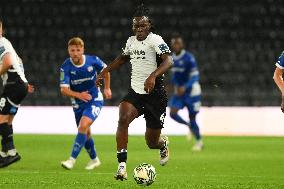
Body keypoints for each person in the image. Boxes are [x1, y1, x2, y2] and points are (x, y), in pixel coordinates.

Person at [96, 4, 173, 181]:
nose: (139, 29)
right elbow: (122, 59)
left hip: (155, 96)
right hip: (136, 92)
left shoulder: (155, 40)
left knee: (151, 142)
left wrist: (152, 76)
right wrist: (104, 72)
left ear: (149, 25)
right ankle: (121, 166)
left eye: (142, 25)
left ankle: (163, 144)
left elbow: (169, 61)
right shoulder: (131, 41)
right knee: (123, 118)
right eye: (136, 26)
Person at [60, 37, 112, 170]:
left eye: (78, 50)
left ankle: (71, 160)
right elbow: (64, 90)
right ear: (69, 51)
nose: (76, 53)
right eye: (73, 50)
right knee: (86, 132)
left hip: (94, 99)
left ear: (82, 49)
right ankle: (95, 160)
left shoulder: (93, 60)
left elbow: (106, 71)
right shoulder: (66, 66)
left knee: (82, 126)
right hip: (78, 104)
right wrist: (79, 95)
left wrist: (106, 88)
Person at [0, 18, 34, 168]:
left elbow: (7, 62)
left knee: (1, 119)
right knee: (7, 120)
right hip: (19, 84)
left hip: (14, 85)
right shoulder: (7, 44)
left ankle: (12, 153)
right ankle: (4, 154)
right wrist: (24, 82)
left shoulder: (1, 43)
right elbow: (18, 61)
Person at [168, 34, 203, 151]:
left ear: (182, 44)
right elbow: (174, 76)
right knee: (172, 113)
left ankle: (199, 142)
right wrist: (172, 86)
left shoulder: (189, 58)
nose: (176, 45)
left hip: (192, 92)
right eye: (174, 43)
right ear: (172, 45)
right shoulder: (171, 58)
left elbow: (195, 77)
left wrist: (185, 87)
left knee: (192, 117)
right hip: (179, 92)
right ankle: (188, 126)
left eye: (178, 43)